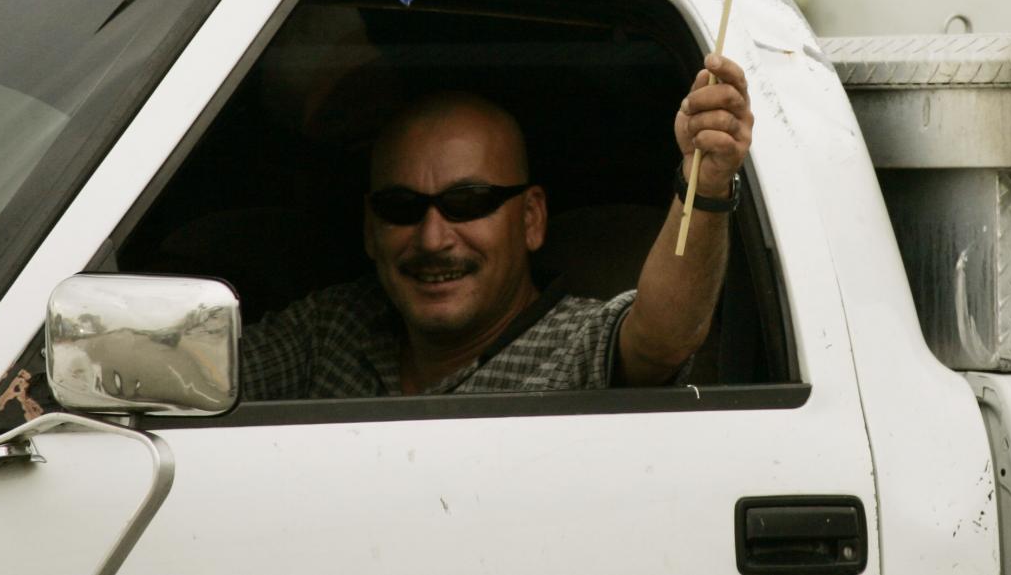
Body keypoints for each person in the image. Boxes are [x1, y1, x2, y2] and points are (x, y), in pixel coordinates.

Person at [242, 53, 753, 398]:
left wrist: (703, 184)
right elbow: (196, 379)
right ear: (369, 230)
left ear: (531, 219)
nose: (432, 238)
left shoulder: (575, 346)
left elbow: (662, 339)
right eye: (401, 207)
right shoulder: (332, 329)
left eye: (466, 202)